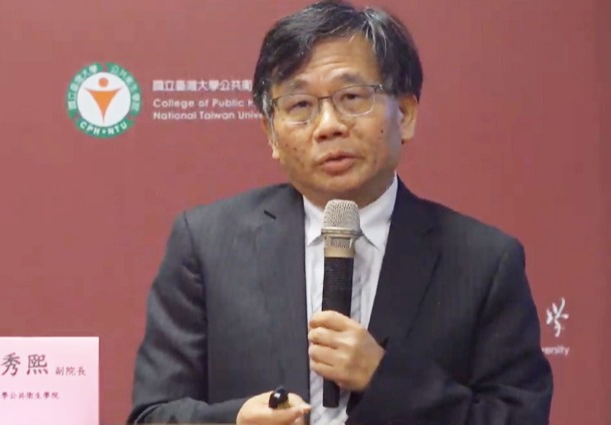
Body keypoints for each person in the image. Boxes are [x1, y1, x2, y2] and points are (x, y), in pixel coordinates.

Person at [127, 1, 553, 424]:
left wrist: (385, 379)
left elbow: (519, 418)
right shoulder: (207, 244)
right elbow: (153, 415)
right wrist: (235, 422)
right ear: (271, 134)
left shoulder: (483, 262)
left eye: (351, 97)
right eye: (300, 106)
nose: (328, 125)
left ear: (405, 114)